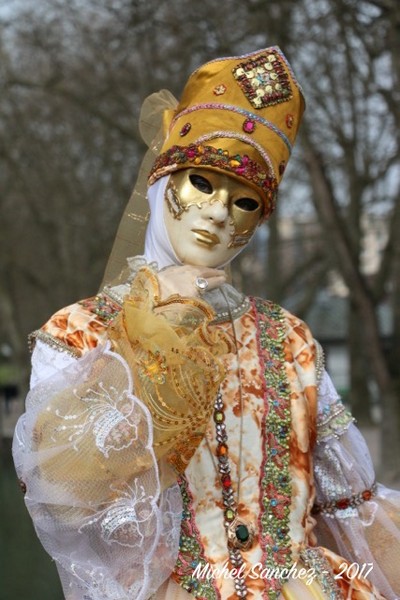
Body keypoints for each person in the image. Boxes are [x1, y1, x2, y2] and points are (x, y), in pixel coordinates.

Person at [13, 47, 400, 600]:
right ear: (161, 179)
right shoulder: (83, 333)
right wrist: (156, 336)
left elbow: (353, 510)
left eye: (245, 200)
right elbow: (64, 497)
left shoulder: (288, 338)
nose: (219, 211)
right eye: (202, 182)